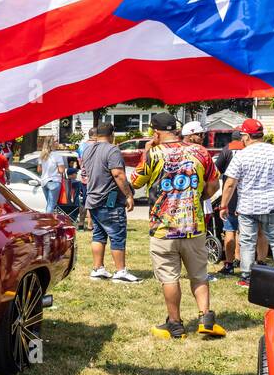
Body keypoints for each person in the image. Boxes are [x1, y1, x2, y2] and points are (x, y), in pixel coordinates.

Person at [130, 112, 224, 338]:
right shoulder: (200, 151)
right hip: (194, 225)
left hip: (163, 229)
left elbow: (135, 181)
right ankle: (206, 320)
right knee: (199, 274)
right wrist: (200, 196)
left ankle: (175, 324)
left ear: (156, 132)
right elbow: (213, 184)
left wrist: (146, 151)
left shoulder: (153, 154)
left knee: (169, 277)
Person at [219, 118, 274, 287]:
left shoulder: (242, 155)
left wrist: (224, 205)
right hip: (271, 204)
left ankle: (246, 276)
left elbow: (230, 183)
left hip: (248, 206)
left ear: (246, 136)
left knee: (247, 241)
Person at [81, 124, 138, 283]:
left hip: (93, 198)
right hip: (110, 199)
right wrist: (128, 195)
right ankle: (120, 271)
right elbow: (118, 174)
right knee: (117, 235)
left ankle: (98, 268)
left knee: (98, 235)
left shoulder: (88, 150)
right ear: (112, 134)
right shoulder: (112, 150)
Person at [213, 131, 244, 275]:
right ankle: (239, 259)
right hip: (247, 197)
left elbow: (216, 171)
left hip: (230, 196)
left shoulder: (227, 150)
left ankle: (229, 264)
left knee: (230, 230)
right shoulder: (249, 149)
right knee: (242, 231)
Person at [37, 135, 66, 212]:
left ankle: (49, 220)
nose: (57, 143)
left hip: (44, 182)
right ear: (51, 143)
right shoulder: (57, 155)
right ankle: (48, 222)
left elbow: (39, 170)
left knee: (49, 204)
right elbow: (61, 170)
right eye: (56, 141)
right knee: (51, 205)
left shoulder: (42, 155)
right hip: (54, 181)